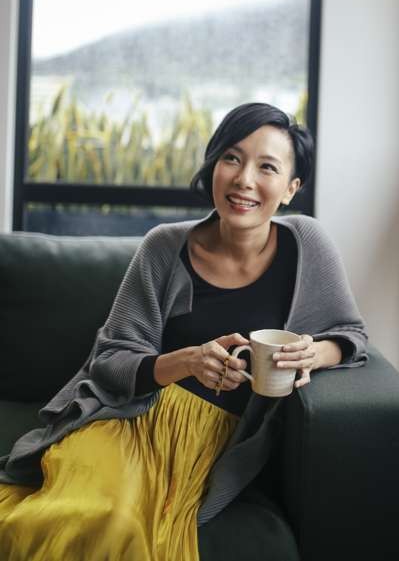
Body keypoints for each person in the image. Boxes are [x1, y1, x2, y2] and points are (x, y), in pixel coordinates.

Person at [0, 102, 368, 560]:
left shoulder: (306, 246)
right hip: (126, 424)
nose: (244, 179)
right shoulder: (163, 247)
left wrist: (316, 353)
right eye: (231, 158)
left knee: (122, 530)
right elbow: (110, 362)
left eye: (267, 167)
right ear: (213, 164)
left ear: (291, 188)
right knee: (60, 520)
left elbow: (350, 334)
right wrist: (187, 361)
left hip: (208, 447)